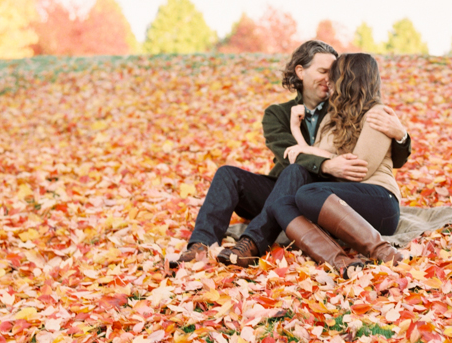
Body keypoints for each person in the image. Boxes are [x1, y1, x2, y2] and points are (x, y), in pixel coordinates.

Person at [173, 40, 412, 268]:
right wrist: (327, 163)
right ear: (301, 72)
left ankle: (252, 243)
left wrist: (401, 134)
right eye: (323, 71)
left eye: (334, 72)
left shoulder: (343, 106)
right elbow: (290, 154)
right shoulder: (277, 114)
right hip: (290, 187)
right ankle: (200, 245)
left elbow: (388, 158)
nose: (329, 78)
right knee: (229, 174)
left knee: (298, 175)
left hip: (324, 193)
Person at [265, 52, 405, 275]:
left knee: (308, 193)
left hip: (379, 201)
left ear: (349, 80)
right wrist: (296, 131)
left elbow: (358, 170)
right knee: (281, 204)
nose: (327, 80)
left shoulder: (378, 115)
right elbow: (315, 162)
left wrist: (311, 151)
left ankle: (385, 252)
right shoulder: (330, 119)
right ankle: (342, 264)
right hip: (339, 204)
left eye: (334, 75)